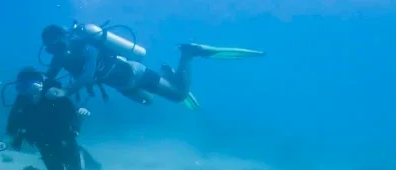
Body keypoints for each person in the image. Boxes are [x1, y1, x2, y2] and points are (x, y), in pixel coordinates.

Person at [40, 23, 265, 109]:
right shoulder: (58, 58)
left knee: (178, 96)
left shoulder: (88, 48)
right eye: (52, 48)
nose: (58, 51)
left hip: (135, 74)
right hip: (123, 85)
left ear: (67, 38)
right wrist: (39, 91)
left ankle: (187, 55)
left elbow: (88, 76)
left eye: (59, 45)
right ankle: (170, 75)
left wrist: (66, 91)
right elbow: (49, 77)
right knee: (148, 102)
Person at [0, 66, 102, 170]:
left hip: (64, 140)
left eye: (31, 83)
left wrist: (80, 117)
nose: (29, 89)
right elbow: (11, 125)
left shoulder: (54, 95)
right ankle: (70, 158)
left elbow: (72, 112)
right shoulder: (21, 102)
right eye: (23, 85)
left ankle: (80, 151)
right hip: (44, 144)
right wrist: (14, 139)